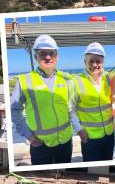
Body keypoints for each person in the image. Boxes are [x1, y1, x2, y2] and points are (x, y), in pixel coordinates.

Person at [11, 35, 76, 165]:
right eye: (42, 53)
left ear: (57, 56)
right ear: (36, 57)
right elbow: (14, 110)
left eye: (51, 53)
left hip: (65, 143)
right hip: (40, 145)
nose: (47, 57)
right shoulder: (25, 81)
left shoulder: (67, 79)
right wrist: (29, 136)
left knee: (66, 176)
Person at [71, 42, 115, 162]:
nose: (95, 65)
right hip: (89, 137)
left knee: (108, 166)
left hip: (109, 134)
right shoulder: (77, 81)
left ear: (103, 62)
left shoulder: (109, 78)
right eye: (91, 61)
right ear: (85, 62)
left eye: (98, 61)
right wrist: (79, 130)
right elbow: (70, 109)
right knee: (92, 169)